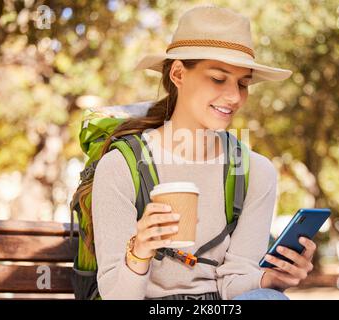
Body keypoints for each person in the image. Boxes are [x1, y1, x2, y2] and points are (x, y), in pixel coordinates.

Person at [91, 5, 316, 300]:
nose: (235, 97)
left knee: (269, 298)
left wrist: (270, 278)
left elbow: (234, 282)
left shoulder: (255, 172)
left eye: (243, 83)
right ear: (178, 74)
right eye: (218, 79)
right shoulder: (122, 166)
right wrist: (139, 251)